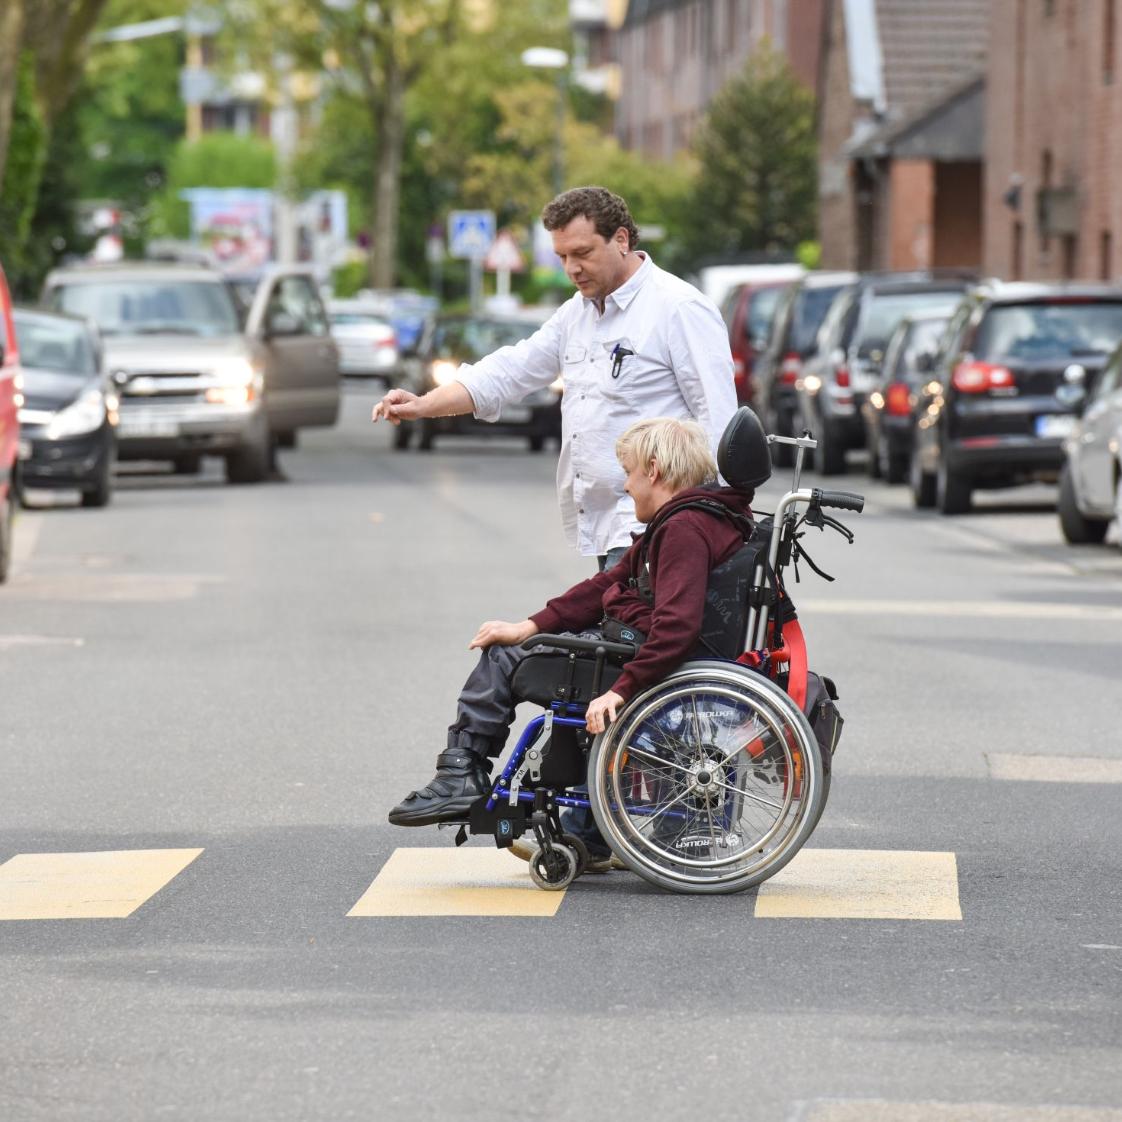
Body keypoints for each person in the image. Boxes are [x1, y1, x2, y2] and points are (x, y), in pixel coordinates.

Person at [387, 417, 756, 869]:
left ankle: (460, 774)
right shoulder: (695, 518)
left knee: (504, 659)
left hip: (642, 660)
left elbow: (676, 627)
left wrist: (620, 690)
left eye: (630, 472)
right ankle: (586, 828)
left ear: (655, 470)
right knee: (519, 644)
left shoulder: (684, 529)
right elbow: (607, 584)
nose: (626, 486)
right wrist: (529, 625)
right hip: (642, 650)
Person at [371, 186, 737, 570]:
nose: (571, 269)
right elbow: (509, 371)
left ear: (622, 240)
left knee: (636, 630)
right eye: (562, 256)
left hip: (664, 529)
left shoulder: (678, 308)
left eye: (582, 253)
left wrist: (718, 521)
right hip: (608, 525)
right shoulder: (576, 314)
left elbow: (719, 417)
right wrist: (423, 405)